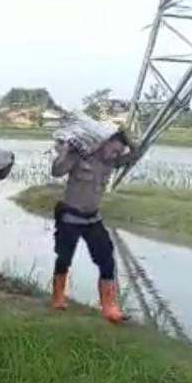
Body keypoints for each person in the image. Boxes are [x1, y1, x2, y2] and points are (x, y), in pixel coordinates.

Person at [49, 131, 135, 323]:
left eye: (118, 152)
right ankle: (58, 298)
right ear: (104, 144)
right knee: (64, 258)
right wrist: (65, 151)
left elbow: (133, 157)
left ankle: (109, 307)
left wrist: (128, 141)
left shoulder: (110, 163)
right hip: (70, 217)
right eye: (114, 150)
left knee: (107, 261)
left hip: (92, 219)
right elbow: (56, 171)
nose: (115, 155)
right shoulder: (79, 156)